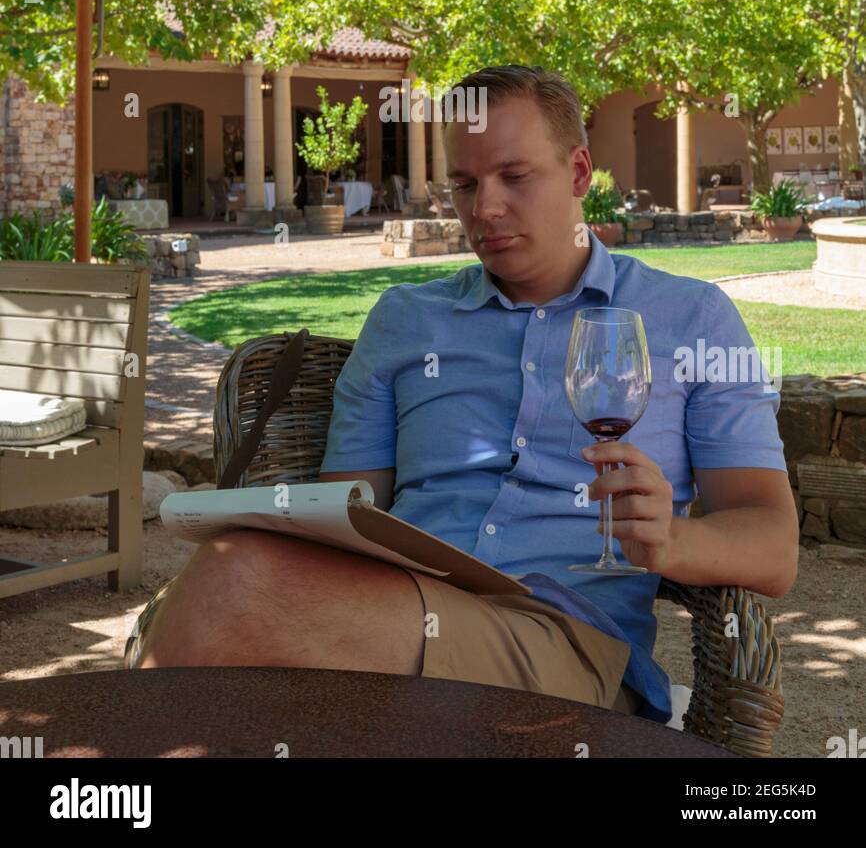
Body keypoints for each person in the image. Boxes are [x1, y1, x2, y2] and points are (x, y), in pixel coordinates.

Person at [137, 65, 798, 725]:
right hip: (395, 614)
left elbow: (772, 543)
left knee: (232, 587)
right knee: (233, 598)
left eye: (515, 177)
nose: (484, 209)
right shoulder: (405, 321)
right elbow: (340, 519)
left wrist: (673, 541)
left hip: (566, 644)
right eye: (463, 183)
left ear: (577, 174)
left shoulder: (693, 320)